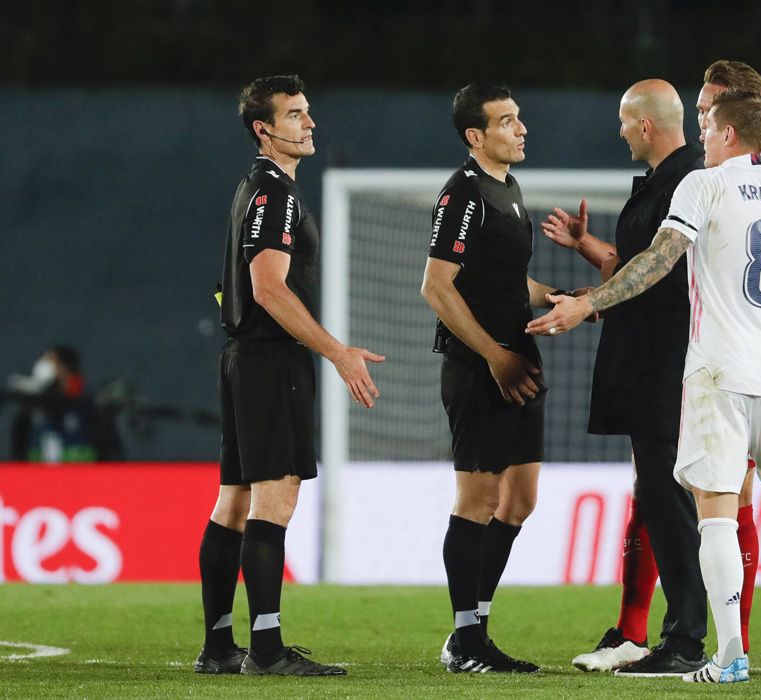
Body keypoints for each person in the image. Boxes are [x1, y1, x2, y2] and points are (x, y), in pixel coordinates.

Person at [528, 91, 761, 684]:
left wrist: (591, 304)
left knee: (715, 514)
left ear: (730, 134)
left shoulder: (703, 186)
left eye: (707, 126)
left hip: (717, 375)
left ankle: (730, 654)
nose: (700, 136)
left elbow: (658, 260)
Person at [550, 62, 761, 677]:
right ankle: (676, 633)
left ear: (732, 118)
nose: (702, 120)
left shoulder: (704, 184)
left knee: (714, 506)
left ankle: (705, 637)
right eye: (697, 109)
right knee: (672, 500)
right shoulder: (671, 182)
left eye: (708, 110)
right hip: (680, 364)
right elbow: (642, 262)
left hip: (703, 369)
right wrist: (592, 257)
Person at [196, 75, 383, 677]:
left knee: (235, 499)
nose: (309, 123)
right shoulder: (274, 194)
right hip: (271, 359)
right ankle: (268, 650)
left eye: (308, 113)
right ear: (264, 129)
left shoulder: (256, 189)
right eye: (295, 115)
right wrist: (336, 352)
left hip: (244, 357)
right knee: (274, 498)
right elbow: (269, 288)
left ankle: (220, 645)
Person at [421, 83, 568, 675]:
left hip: (517, 361)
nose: (521, 128)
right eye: (507, 121)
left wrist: (557, 297)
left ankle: (476, 627)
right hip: (482, 366)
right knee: (478, 499)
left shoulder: (507, 189)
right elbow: (437, 286)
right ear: (475, 136)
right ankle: (464, 638)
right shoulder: (462, 194)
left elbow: (507, 281)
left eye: (519, 118)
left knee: (520, 498)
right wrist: (493, 356)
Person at [8, 345, 122, 462]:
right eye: (43, 360)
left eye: (50, 360)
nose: (42, 365)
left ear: (65, 369)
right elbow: (17, 457)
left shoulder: (89, 408)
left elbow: (109, 456)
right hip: (38, 479)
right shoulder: (29, 413)